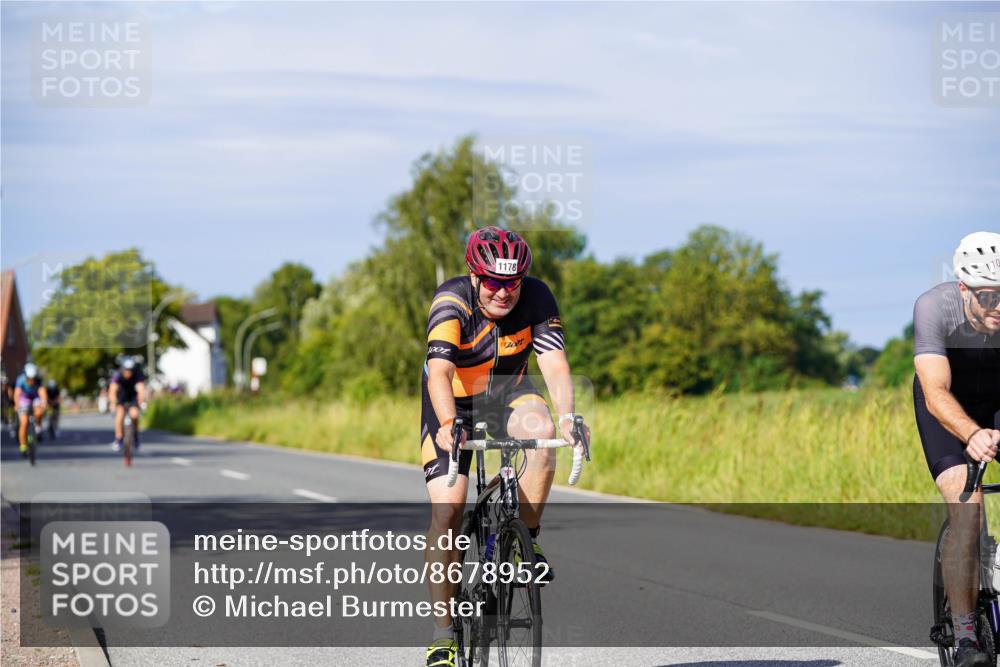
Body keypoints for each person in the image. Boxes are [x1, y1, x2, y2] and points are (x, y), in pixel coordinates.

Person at [421, 227, 590, 667]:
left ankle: (526, 541)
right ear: (475, 276)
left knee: (543, 434)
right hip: (452, 403)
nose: (503, 292)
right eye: (493, 282)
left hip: (507, 395)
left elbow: (553, 363)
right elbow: (439, 372)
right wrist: (445, 424)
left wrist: (569, 417)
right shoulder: (451, 300)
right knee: (449, 510)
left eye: (511, 282)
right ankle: (443, 635)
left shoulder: (536, 298)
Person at [915, 231, 1000, 667]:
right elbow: (935, 391)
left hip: (996, 400)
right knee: (967, 504)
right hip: (948, 406)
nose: (998, 307)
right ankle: (967, 636)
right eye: (988, 297)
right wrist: (971, 434)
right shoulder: (935, 308)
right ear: (964, 289)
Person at [109, 358, 147, 452]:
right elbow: (112, 390)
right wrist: (113, 403)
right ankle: (119, 439)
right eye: (126, 370)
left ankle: (136, 438)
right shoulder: (117, 374)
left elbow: (141, 389)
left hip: (133, 396)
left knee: (134, 415)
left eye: (130, 371)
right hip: (121, 396)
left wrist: (141, 401)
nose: (128, 373)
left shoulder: (137, 373)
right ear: (122, 369)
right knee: (120, 415)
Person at [13, 363, 48, 457]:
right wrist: (17, 405)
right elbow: (17, 394)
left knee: (39, 413)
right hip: (24, 399)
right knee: (24, 423)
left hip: (35, 397)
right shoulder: (20, 380)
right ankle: (23, 446)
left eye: (33, 378)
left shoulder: (38, 380)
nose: (31, 381)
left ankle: (38, 428)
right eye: (29, 378)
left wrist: (44, 402)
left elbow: (42, 392)